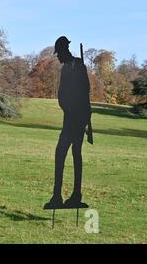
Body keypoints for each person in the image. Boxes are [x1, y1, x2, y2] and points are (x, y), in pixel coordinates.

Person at [44, 36, 92, 209]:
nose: (58, 57)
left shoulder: (78, 66)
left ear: (64, 51)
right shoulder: (67, 68)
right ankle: (63, 195)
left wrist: (85, 116)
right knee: (71, 153)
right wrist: (66, 107)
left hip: (77, 118)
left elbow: (85, 91)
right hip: (70, 117)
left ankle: (68, 195)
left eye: (59, 54)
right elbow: (62, 94)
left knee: (68, 153)